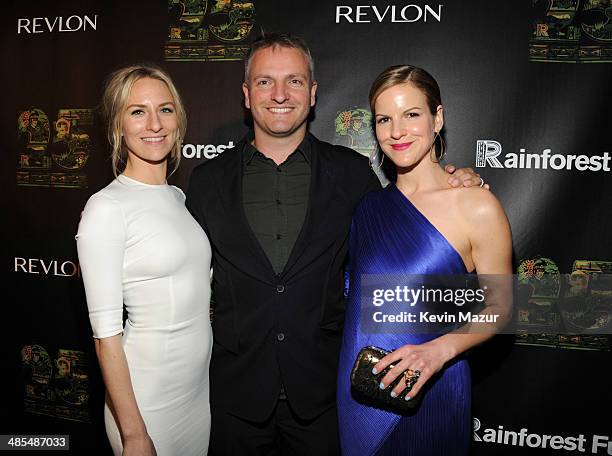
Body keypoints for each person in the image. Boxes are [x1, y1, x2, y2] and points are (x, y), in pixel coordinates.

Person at [186, 33, 484, 455]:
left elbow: (410, 216)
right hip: (235, 398)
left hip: (328, 396)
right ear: (246, 94)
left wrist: (457, 179)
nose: (279, 94)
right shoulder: (206, 182)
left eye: (294, 81)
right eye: (265, 82)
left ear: (312, 93)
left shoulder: (352, 175)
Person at [336, 65, 513, 455]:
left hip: (434, 389)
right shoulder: (368, 206)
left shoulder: (476, 204)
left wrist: (441, 350)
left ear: (438, 117)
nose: (396, 131)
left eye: (411, 114)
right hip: (359, 389)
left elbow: (502, 304)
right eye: (385, 119)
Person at [76, 65, 212, 455]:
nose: (154, 123)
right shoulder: (106, 208)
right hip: (146, 400)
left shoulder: (178, 198)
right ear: (118, 124)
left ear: (179, 120)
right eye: (137, 111)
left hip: (195, 395)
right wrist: (134, 433)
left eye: (165, 110)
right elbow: (106, 338)